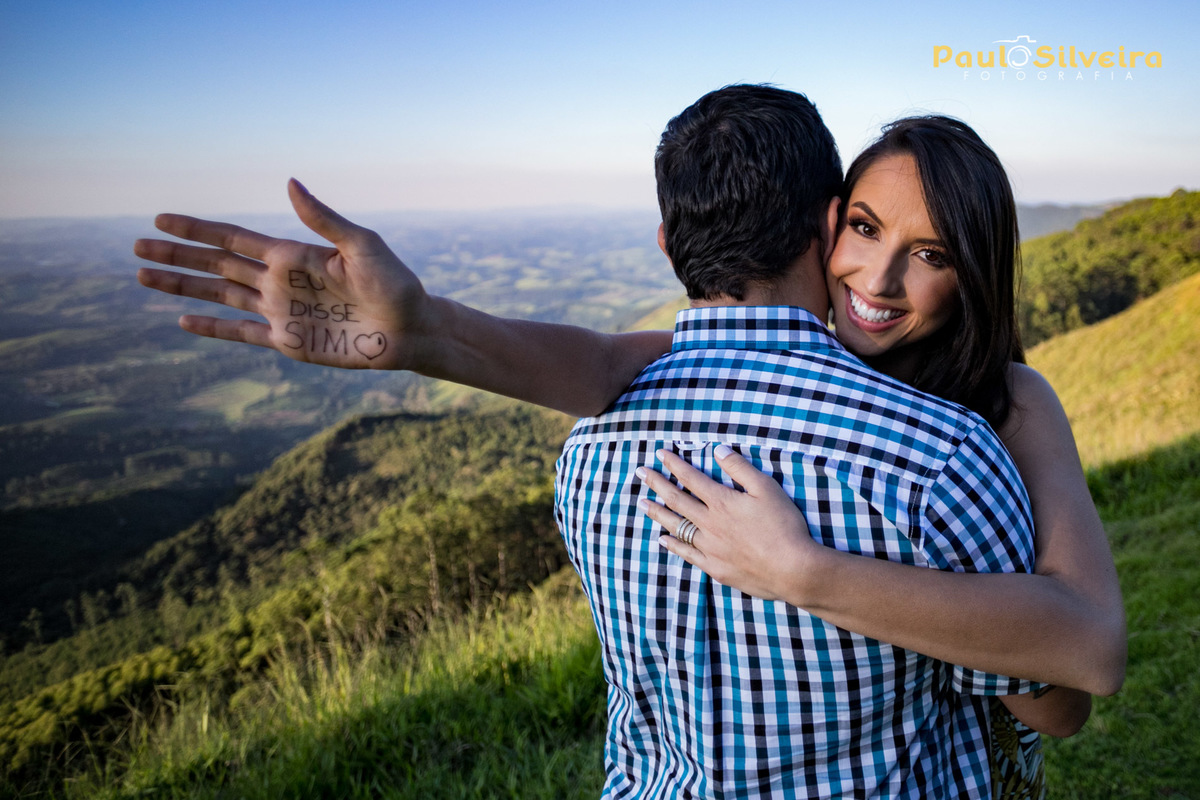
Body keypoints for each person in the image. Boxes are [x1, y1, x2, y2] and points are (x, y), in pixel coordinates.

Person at [135, 84, 1064, 797]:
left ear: (667, 243)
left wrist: (424, 331)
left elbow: (606, 360)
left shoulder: (591, 455)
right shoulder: (945, 456)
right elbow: (1053, 699)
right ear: (829, 228)